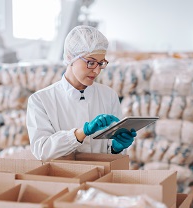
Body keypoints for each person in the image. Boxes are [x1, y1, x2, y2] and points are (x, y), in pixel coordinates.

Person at [26, 25, 136, 161]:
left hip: (101, 178)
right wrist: (81, 133)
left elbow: (112, 153)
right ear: (70, 57)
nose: (96, 71)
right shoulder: (40, 100)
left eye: (101, 63)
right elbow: (42, 150)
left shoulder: (109, 95)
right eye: (90, 62)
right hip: (63, 179)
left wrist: (116, 148)